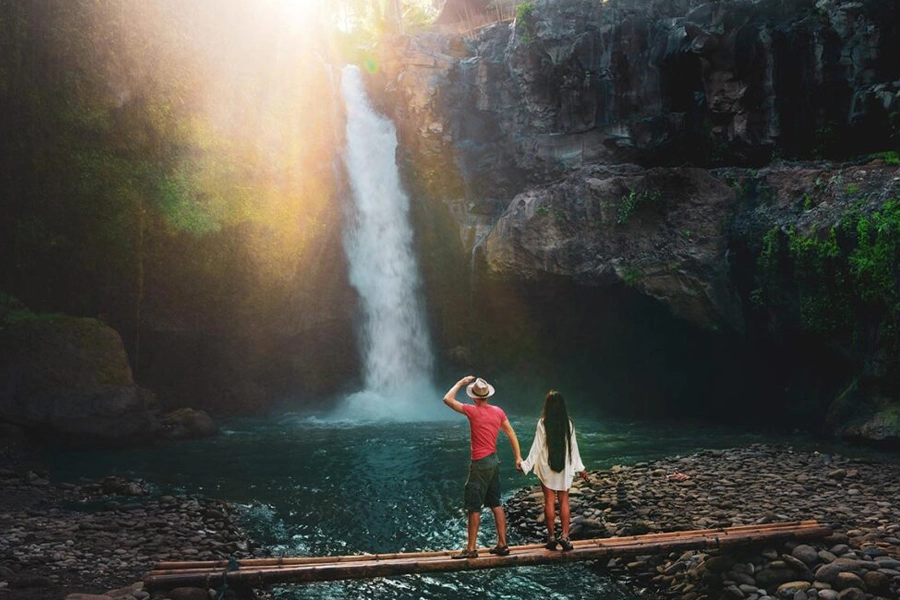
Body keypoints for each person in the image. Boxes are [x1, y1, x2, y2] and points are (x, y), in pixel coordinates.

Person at [443, 375, 523, 559]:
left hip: (479, 464)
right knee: (496, 503)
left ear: (474, 397)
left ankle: (471, 549)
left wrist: (460, 383)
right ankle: (502, 544)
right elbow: (511, 432)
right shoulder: (498, 411)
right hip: (494, 461)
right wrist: (518, 456)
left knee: (474, 506)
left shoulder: (472, 411)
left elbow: (447, 399)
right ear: (487, 395)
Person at [518, 389, 587, 552]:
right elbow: (574, 448)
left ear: (547, 406)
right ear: (563, 406)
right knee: (564, 501)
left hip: (546, 466)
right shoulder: (569, 423)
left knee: (549, 501)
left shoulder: (543, 422)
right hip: (565, 466)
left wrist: (525, 465)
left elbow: (536, 447)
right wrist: (581, 468)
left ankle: (551, 538)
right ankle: (564, 536)